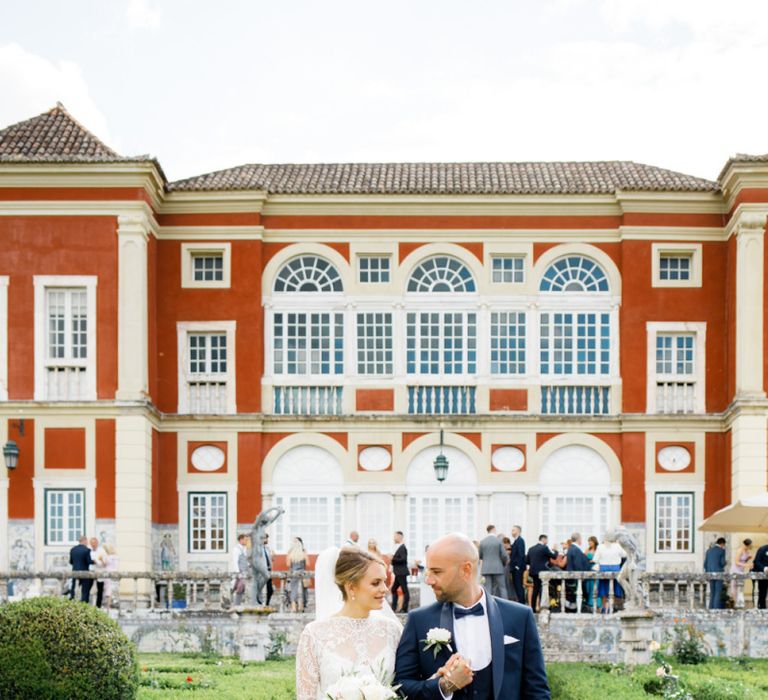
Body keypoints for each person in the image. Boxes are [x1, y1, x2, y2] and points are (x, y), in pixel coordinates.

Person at [394, 532, 551, 699]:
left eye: (437, 572)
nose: (429, 580)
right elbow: (400, 686)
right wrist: (443, 686)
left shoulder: (520, 617)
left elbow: (537, 692)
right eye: (428, 572)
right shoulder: (419, 620)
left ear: (466, 570)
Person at [295, 547, 402, 699]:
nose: (384, 589)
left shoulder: (392, 630)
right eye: (376, 583)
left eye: (384, 582)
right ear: (351, 587)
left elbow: (407, 685)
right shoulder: (314, 634)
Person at [593, 535, 625, 612]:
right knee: (613, 589)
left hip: (604, 569)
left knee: (604, 589)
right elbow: (624, 555)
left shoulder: (600, 547)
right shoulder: (617, 546)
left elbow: (595, 559)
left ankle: (604, 608)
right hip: (615, 569)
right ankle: (610, 607)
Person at [526, 535, 556, 612]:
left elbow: (527, 561)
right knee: (544, 589)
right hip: (543, 572)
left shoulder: (531, 548)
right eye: (547, 540)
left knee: (535, 590)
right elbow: (554, 556)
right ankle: (543, 607)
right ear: (544, 539)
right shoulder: (544, 548)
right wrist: (555, 550)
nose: (547, 542)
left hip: (533, 572)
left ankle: (533, 608)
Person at [479, 525, 509, 600]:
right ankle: (505, 605)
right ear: (494, 530)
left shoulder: (482, 542)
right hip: (498, 568)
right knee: (502, 588)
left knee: (488, 588)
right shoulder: (498, 541)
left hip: (486, 568)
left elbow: (480, 555)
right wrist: (504, 563)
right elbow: (504, 555)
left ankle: (488, 605)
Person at [565, 532, 592, 612]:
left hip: (571, 574)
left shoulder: (571, 548)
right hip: (575, 576)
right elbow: (578, 564)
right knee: (580, 593)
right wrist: (582, 575)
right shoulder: (576, 549)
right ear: (578, 539)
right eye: (581, 538)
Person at [704, 537, 727, 609]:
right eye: (724, 545)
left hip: (710, 574)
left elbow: (705, 564)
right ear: (722, 544)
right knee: (718, 592)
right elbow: (722, 563)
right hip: (719, 573)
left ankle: (711, 609)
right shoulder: (722, 551)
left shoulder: (708, 551)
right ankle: (715, 609)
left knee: (712, 593)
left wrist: (707, 573)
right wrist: (726, 562)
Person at [69, 535, 93, 603]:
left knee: (73, 587)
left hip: (74, 571)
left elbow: (71, 562)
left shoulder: (73, 549)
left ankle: (72, 600)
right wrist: (94, 561)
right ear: (84, 540)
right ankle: (84, 602)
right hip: (84, 572)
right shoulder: (87, 550)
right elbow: (88, 561)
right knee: (85, 589)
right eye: (87, 541)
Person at [287, 537, 308, 612]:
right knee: (303, 590)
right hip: (302, 573)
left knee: (294, 590)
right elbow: (308, 564)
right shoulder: (303, 553)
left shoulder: (291, 554)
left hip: (294, 573)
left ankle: (293, 607)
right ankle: (301, 606)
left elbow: (288, 564)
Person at [729, 538, 753, 604]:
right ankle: (736, 603)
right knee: (734, 587)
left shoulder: (747, 551)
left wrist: (748, 558)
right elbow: (736, 562)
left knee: (740, 586)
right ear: (747, 545)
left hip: (741, 570)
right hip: (735, 570)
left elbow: (743, 561)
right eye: (751, 545)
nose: (752, 547)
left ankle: (739, 601)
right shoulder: (740, 550)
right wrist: (747, 565)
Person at [391, 531, 410, 612]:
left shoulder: (402, 547)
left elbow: (403, 559)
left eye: (395, 536)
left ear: (399, 537)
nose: (394, 538)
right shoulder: (399, 547)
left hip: (401, 573)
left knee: (405, 590)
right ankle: (394, 608)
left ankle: (404, 609)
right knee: (393, 589)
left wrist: (393, 558)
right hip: (398, 573)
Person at [509, 525, 526, 604]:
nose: (512, 532)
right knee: (517, 586)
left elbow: (521, 554)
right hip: (514, 568)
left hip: (517, 569)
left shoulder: (520, 540)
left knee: (519, 587)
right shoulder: (516, 541)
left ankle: (522, 604)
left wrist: (517, 566)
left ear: (518, 531)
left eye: (513, 530)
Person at [231, 533, 249, 605]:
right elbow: (235, 561)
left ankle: (236, 603)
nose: (246, 541)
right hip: (240, 573)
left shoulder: (244, 548)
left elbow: (245, 561)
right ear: (241, 540)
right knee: (238, 588)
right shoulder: (236, 549)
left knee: (239, 588)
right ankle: (236, 604)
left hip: (244, 572)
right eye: (245, 540)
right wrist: (238, 573)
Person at [90, 537, 107, 608]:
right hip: (90, 572)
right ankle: (90, 605)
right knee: (90, 589)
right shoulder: (89, 551)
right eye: (92, 543)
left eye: (94, 543)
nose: (93, 544)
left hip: (100, 572)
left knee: (100, 590)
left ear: (97, 543)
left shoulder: (102, 551)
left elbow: (105, 563)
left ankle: (98, 606)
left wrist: (97, 562)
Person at [752, 542, 768, 609]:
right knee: (762, 593)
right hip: (761, 574)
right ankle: (761, 609)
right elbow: (756, 561)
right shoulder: (763, 549)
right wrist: (764, 568)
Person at [102, 544, 119, 609]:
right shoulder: (115, 557)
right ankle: (109, 604)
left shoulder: (108, 557)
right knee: (109, 589)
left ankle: (109, 604)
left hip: (109, 573)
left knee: (108, 589)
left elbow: (105, 564)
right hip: (111, 573)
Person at [585, 536, 599, 608]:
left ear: (594, 542)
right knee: (590, 586)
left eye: (591, 541)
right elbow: (584, 558)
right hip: (589, 568)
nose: (589, 543)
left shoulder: (598, 549)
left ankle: (597, 602)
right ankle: (590, 602)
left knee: (596, 585)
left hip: (596, 569)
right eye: (589, 541)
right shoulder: (587, 550)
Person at [263, 533, 274, 606]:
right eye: (265, 538)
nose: (267, 540)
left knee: (270, 590)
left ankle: (267, 604)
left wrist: (272, 556)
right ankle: (262, 604)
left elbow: (271, 559)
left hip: (269, 570)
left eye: (267, 538)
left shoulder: (267, 548)